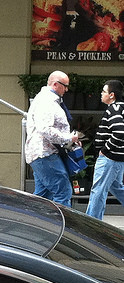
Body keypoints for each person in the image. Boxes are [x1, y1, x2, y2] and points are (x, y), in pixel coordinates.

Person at [25, 70, 79, 207]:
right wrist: (68, 138)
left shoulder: (46, 99)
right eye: (65, 86)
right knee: (63, 191)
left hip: (41, 154)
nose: (67, 90)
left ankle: (33, 223)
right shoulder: (46, 101)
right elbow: (45, 129)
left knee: (43, 195)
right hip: (45, 153)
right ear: (55, 84)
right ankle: (65, 226)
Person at [86, 80, 124, 219]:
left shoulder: (113, 109)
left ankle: (91, 224)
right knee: (117, 188)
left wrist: (105, 150)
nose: (101, 94)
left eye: (103, 91)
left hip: (109, 158)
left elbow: (120, 131)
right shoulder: (121, 108)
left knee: (98, 191)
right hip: (118, 158)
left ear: (112, 95)